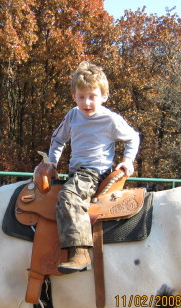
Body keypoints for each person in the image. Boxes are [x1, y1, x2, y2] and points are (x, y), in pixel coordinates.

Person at [48, 61, 140, 274]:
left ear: (104, 96)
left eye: (92, 96)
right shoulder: (72, 115)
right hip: (77, 171)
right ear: (74, 96)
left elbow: (133, 138)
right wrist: (52, 162)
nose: (86, 102)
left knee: (69, 197)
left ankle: (80, 252)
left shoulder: (110, 119)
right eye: (81, 97)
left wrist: (127, 160)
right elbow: (58, 139)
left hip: (95, 172)